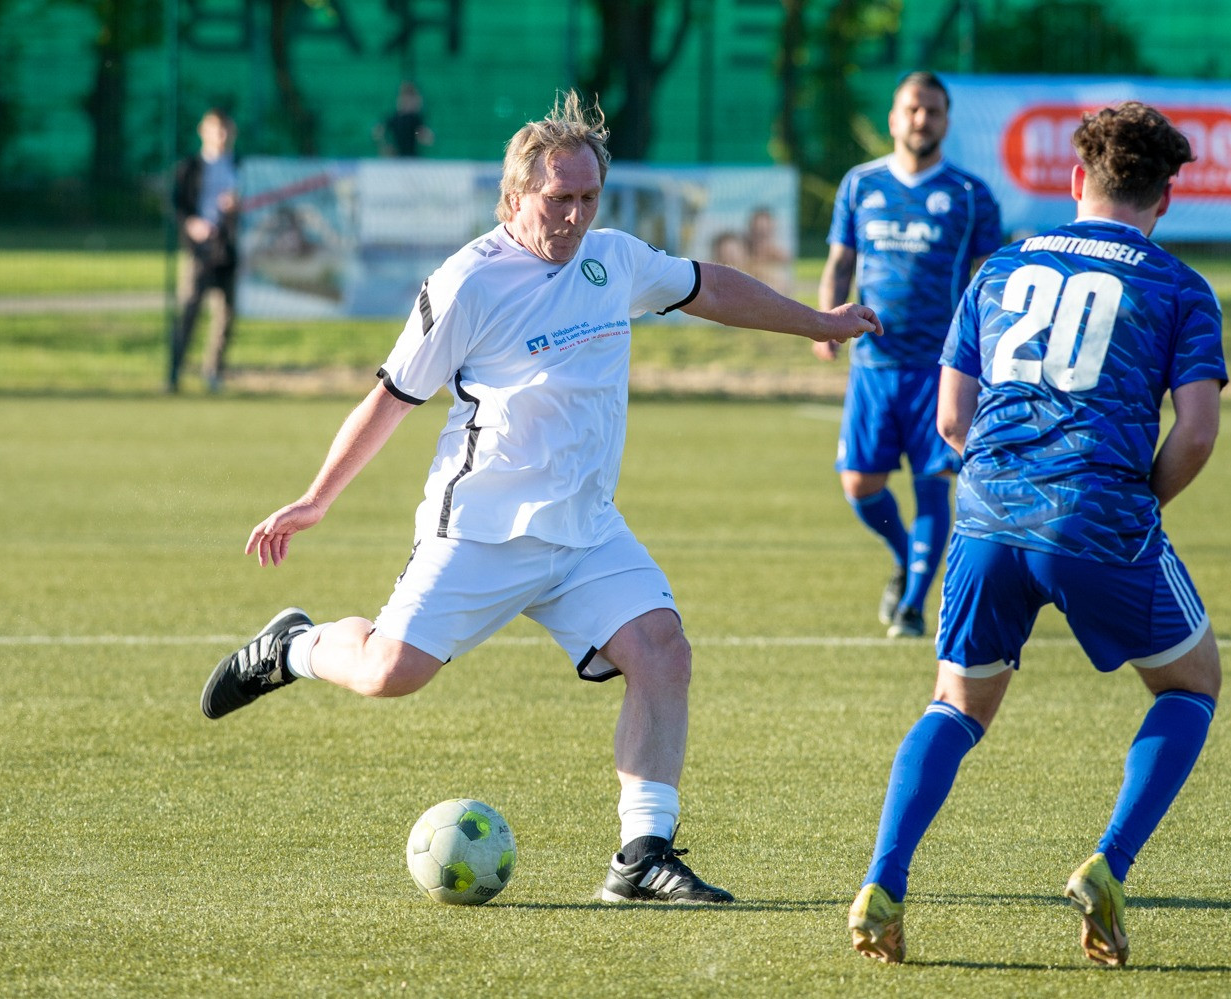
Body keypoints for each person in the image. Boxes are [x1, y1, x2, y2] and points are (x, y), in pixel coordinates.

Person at [200, 91, 880, 904]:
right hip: (482, 528)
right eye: (560, 199)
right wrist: (316, 498)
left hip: (586, 530)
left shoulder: (613, 260)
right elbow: (390, 398)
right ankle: (295, 647)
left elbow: (710, 288)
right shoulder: (466, 284)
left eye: (589, 197)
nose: (576, 215)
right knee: (387, 672)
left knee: (662, 650)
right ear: (516, 196)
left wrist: (816, 323)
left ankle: (641, 856)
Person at [847, 101, 1226, 967]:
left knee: (956, 704)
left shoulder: (1002, 265)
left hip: (985, 515)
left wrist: (1005, 482)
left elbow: (952, 418)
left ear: (1075, 180)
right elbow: (1198, 432)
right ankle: (1109, 864)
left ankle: (882, 882)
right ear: (1165, 197)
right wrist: (1136, 501)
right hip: (1098, 515)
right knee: (1191, 684)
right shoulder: (1179, 286)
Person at [815, 71, 1002, 639]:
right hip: (873, 365)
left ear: (946, 121)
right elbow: (841, 263)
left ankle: (914, 605)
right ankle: (905, 558)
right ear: (894, 118)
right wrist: (824, 322)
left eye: (933, 111)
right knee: (860, 485)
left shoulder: (969, 194)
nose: (922, 120)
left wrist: (988, 349)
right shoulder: (860, 184)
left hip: (940, 368)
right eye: (913, 109)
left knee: (932, 483)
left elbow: (989, 282)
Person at [170, 108, 239, 393]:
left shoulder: (241, 166)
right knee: (189, 309)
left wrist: (236, 208)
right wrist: (192, 224)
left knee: (226, 315)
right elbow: (177, 204)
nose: (221, 136)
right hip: (199, 251)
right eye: (215, 129)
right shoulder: (190, 167)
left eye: (225, 130)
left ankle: (213, 373)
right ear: (203, 132)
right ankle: (174, 372)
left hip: (229, 250)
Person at [376, 81, 434, 157]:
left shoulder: (416, 119)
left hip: (412, 158)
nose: (408, 102)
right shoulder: (394, 118)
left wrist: (420, 134)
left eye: (411, 98)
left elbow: (420, 134)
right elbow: (379, 132)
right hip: (396, 157)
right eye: (405, 98)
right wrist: (385, 145)